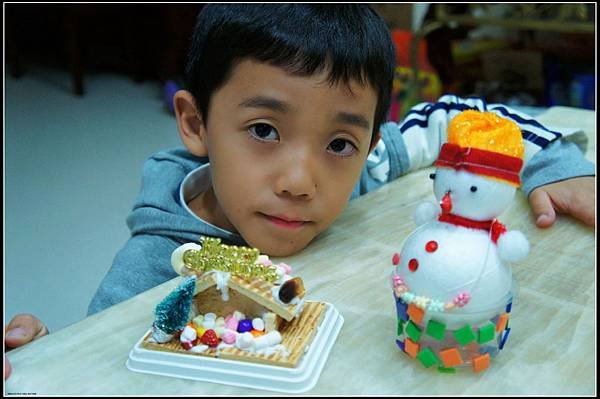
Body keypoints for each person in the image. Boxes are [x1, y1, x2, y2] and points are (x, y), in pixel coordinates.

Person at [5, 4, 595, 380]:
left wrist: (556, 164)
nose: (299, 181)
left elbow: (461, 115)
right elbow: (99, 365)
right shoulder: (151, 266)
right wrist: (45, 357)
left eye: (339, 142)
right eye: (264, 130)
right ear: (195, 124)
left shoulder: (369, 164)